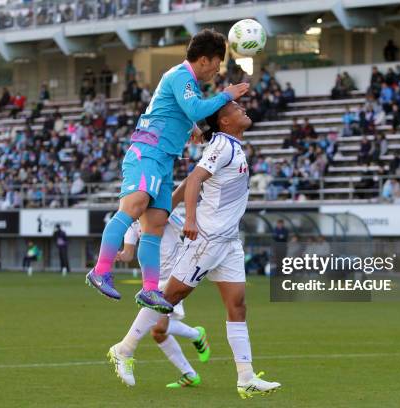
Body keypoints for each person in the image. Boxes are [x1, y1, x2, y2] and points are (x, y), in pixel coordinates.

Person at [108, 101, 281, 398]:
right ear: (225, 122)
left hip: (228, 242)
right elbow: (195, 180)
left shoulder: (230, 144)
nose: (244, 112)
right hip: (208, 239)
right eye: (238, 110)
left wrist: (171, 205)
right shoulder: (222, 146)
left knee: (237, 306)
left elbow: (192, 178)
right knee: (168, 298)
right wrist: (189, 219)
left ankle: (246, 377)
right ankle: (123, 349)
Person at [85, 29, 249, 313]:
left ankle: (149, 290)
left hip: (164, 158)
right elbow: (195, 109)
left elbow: (181, 112)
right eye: (217, 63)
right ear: (204, 60)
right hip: (148, 151)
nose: (217, 70)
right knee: (134, 205)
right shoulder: (180, 75)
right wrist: (226, 95)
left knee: (156, 224)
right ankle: (100, 270)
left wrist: (193, 129)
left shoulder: (189, 83)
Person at [111, 208, 210, 388]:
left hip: (175, 275)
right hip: (153, 280)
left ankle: (125, 349)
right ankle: (191, 368)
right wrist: (119, 255)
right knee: (158, 332)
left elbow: (188, 230)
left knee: (159, 327)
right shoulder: (132, 222)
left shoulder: (165, 212)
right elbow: (128, 254)